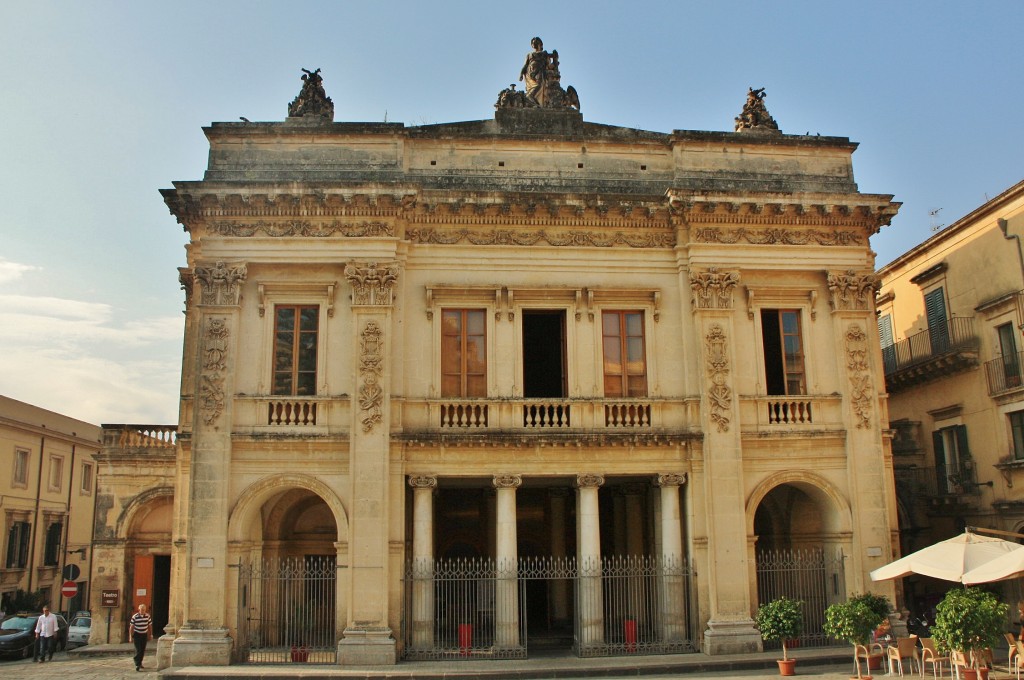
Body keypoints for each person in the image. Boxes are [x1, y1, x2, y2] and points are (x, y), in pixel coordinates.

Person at [128, 603, 152, 671]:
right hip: (137, 634)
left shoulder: (147, 616)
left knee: (142, 650)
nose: (142, 611)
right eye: (141, 610)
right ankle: (137, 664)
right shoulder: (135, 616)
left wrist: (150, 635)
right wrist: (130, 636)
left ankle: (140, 662)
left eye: (144, 610)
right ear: (139, 610)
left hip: (144, 634)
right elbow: (131, 627)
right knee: (138, 649)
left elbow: (150, 626)